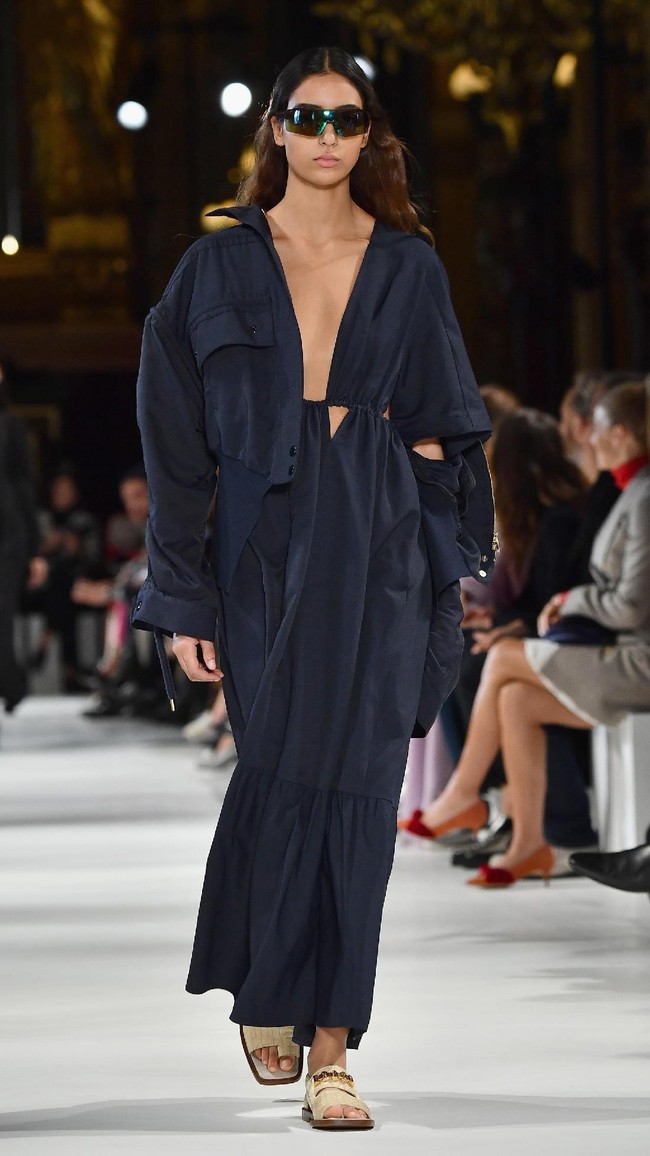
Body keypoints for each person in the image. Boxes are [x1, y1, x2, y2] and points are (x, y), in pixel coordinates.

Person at [132, 46, 494, 1129]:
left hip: (376, 542)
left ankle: (332, 1045)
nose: (328, 137)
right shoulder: (213, 269)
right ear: (276, 134)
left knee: (360, 789)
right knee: (280, 771)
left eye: (347, 120)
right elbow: (173, 443)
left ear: (367, 134)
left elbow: (450, 419)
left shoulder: (408, 267)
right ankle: (270, 976)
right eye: (308, 117)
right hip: (259, 549)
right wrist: (181, 596)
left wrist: (425, 522)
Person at [404, 380, 650, 887]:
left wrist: (569, 602)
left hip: (634, 657)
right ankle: (531, 843)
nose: (583, 440)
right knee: (514, 699)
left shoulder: (640, 497)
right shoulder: (628, 491)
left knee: (500, 661)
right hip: (615, 650)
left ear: (620, 434)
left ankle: (465, 793)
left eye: (596, 431)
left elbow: (628, 607)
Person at [0, 360, 46, 713]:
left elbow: (24, 485)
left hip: (8, 532)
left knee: (3, 613)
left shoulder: (11, 425)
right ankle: (12, 683)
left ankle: (11, 685)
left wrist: (35, 550)